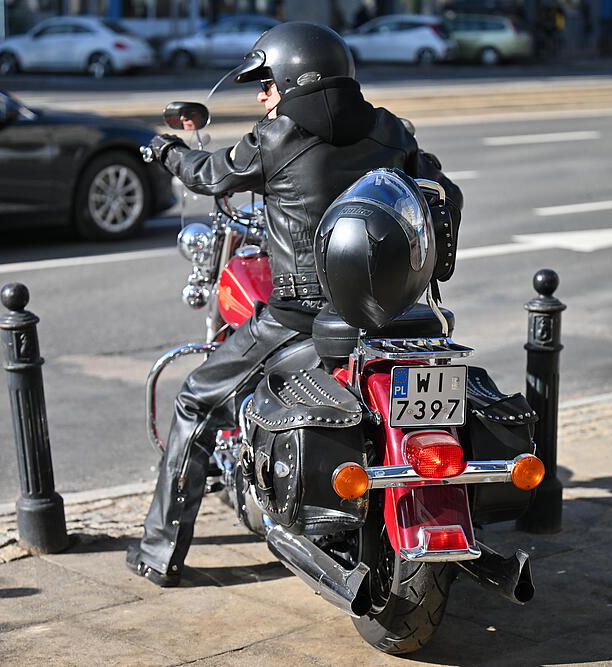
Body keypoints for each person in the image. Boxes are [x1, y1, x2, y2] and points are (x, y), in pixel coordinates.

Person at [126, 21, 463, 587]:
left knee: (193, 402)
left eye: (266, 82)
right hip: (396, 316)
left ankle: (159, 553)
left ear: (291, 75)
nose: (261, 95)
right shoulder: (391, 129)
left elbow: (211, 176)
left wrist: (167, 152)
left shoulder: (275, 136)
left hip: (300, 316)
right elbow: (441, 191)